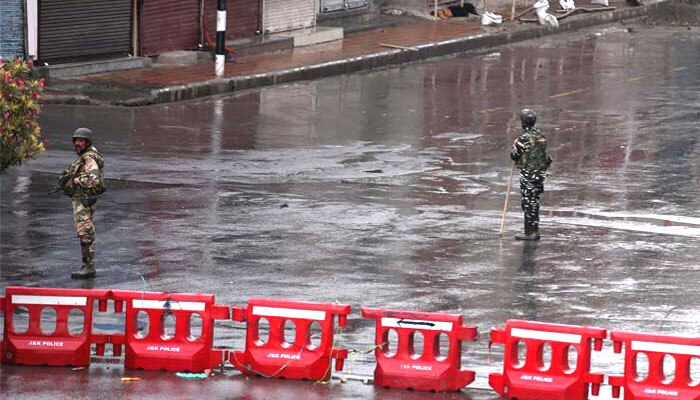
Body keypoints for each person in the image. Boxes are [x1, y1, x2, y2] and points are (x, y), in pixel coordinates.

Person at [59, 128, 106, 278]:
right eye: (76, 140)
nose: (77, 143)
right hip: (82, 199)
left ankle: (88, 267)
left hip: (83, 200)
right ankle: (87, 265)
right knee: (84, 232)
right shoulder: (86, 157)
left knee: (85, 232)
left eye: (81, 140)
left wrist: (74, 181)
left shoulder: (89, 158)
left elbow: (93, 179)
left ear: (87, 142)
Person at [509, 109, 552, 240]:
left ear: (523, 123)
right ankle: (534, 229)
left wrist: (515, 145)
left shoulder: (523, 139)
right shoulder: (541, 135)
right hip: (540, 173)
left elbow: (514, 155)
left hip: (528, 174)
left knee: (528, 203)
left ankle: (530, 232)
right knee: (535, 201)